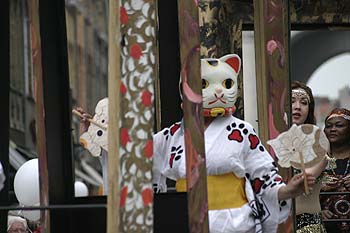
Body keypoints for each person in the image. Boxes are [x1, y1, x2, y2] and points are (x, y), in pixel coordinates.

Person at [152, 54, 315, 232]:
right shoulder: (171, 136)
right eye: (205, 84)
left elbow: (264, 175)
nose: (219, 91)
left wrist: (288, 190)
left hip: (233, 222)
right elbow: (142, 162)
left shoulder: (242, 131)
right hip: (184, 220)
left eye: (226, 84)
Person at [291, 81, 327, 232]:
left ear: (309, 110)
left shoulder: (319, 141)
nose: (298, 106)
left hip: (309, 227)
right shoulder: (270, 139)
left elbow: (305, 179)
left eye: (304, 103)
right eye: (291, 101)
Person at [321, 108, 350, 233]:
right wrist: (318, 212)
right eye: (329, 126)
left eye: (339, 125)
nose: (333, 129)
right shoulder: (317, 161)